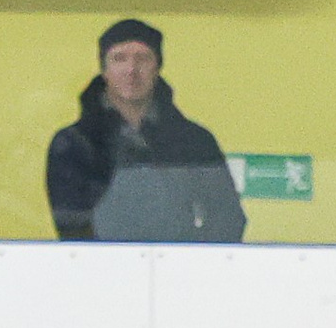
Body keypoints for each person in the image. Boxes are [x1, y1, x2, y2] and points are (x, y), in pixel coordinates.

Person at [45, 18, 246, 244]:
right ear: (104, 70)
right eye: (119, 58)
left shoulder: (195, 140)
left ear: (157, 67)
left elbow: (228, 218)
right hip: (100, 273)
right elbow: (71, 223)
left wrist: (188, 262)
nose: (131, 70)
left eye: (142, 58)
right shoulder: (74, 143)